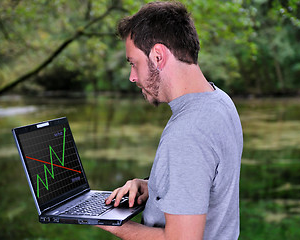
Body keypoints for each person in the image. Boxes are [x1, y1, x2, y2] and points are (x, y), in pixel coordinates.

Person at [97, 1, 243, 239]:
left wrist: (109, 221)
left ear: (157, 56)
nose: (132, 77)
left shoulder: (188, 132)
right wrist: (152, 187)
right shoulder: (220, 102)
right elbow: (203, 183)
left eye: (134, 63)